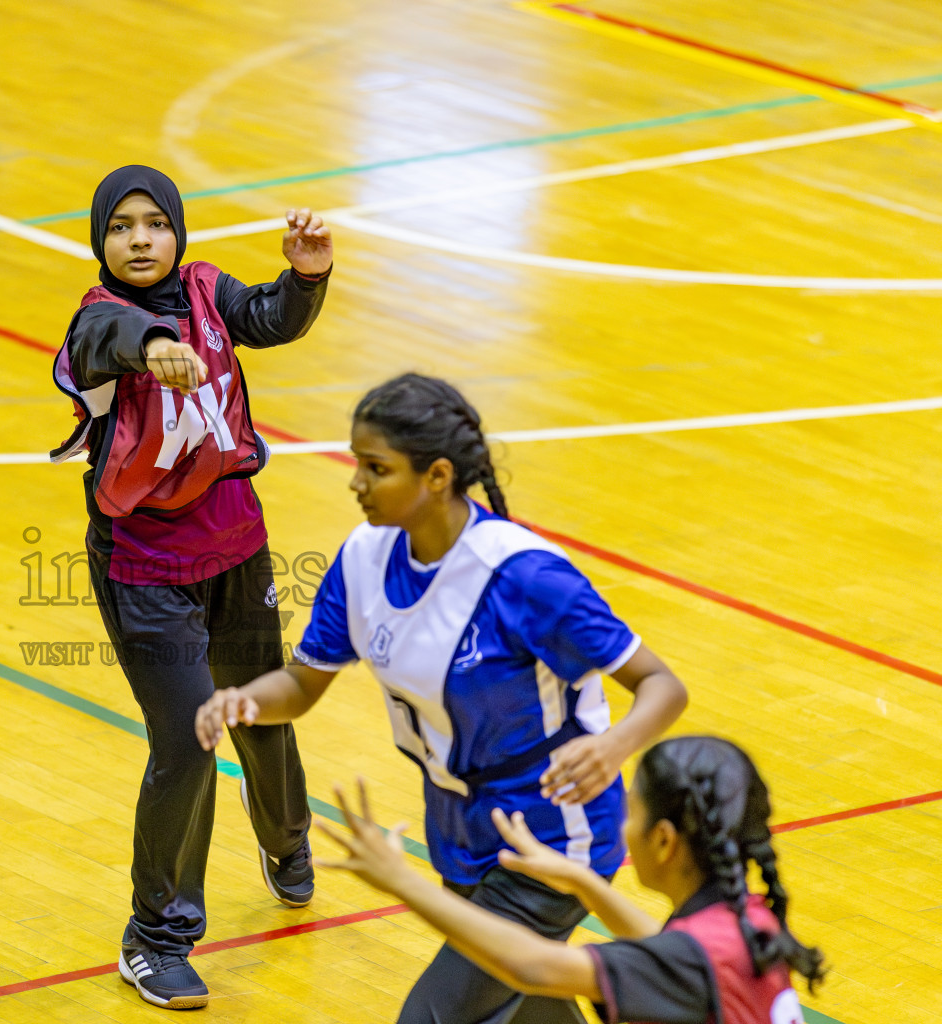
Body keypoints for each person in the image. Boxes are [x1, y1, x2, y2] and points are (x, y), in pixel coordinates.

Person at [196, 373, 690, 1024]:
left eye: (376, 468)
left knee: (435, 1016)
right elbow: (302, 684)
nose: (356, 483)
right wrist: (243, 701)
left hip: (551, 839)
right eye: (357, 464)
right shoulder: (362, 559)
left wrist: (612, 746)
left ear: (435, 477)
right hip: (459, 832)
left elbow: (663, 685)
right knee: (525, 1010)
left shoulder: (525, 577)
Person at [49, 164, 332, 1008]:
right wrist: (154, 346)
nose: (140, 239)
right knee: (188, 742)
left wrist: (306, 275)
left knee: (265, 713)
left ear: (177, 232)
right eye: (121, 227)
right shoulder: (97, 321)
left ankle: (286, 842)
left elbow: (269, 319)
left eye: (154, 224)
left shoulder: (208, 291)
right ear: (101, 242)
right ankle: (155, 938)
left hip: (238, 548)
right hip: (144, 570)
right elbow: (107, 343)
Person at [319, 735, 826, 1024]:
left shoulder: (693, 958)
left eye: (631, 812)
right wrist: (582, 882)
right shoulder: (745, 919)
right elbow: (663, 946)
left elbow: (532, 967)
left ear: (665, 840)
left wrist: (403, 881)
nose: (623, 826)